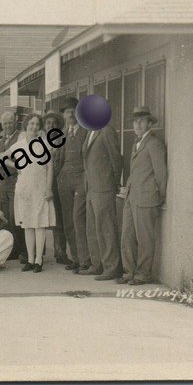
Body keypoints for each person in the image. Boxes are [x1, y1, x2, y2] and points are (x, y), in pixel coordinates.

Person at [119, 106, 167, 286]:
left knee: (145, 238)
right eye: (135, 121)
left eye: (142, 120)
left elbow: (161, 174)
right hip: (132, 197)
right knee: (127, 235)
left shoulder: (154, 144)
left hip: (147, 198)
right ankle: (129, 272)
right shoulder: (136, 143)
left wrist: (160, 197)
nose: (137, 124)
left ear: (149, 123)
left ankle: (143, 274)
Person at [2, 112, 57, 272]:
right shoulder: (19, 145)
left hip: (40, 188)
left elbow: (50, 168)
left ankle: (39, 260)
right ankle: (30, 259)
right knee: (27, 224)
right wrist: (16, 166)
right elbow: (2, 158)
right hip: (24, 188)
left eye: (37, 125)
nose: (34, 127)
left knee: (39, 224)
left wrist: (48, 188)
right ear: (26, 126)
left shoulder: (44, 144)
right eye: (31, 124)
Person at [81, 119, 123, 280]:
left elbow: (116, 159)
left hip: (104, 187)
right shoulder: (90, 132)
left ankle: (111, 267)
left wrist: (113, 184)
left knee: (106, 228)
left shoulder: (106, 130)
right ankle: (96, 265)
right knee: (92, 228)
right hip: (91, 188)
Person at [55, 97, 88, 272]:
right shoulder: (62, 133)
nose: (71, 114)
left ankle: (85, 260)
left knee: (79, 219)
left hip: (80, 179)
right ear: (64, 115)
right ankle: (76, 258)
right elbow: (57, 159)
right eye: (68, 111)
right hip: (64, 180)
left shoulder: (85, 131)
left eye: (74, 110)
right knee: (68, 221)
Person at [0, 111, 24, 260]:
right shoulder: (0, 140)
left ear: (15, 122)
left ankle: (21, 249)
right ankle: (11, 248)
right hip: (2, 181)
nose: (7, 126)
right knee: (4, 216)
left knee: (15, 216)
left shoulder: (20, 137)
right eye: (5, 123)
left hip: (15, 180)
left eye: (10, 122)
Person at [44, 110, 70, 266]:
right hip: (41, 184)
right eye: (48, 123)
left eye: (54, 123)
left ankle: (60, 252)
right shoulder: (40, 141)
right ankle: (35, 254)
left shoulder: (62, 140)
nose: (51, 126)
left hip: (57, 184)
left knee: (58, 219)